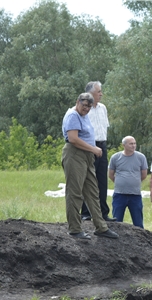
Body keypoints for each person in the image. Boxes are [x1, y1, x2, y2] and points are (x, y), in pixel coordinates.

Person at [61, 93, 119, 240]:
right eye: (84, 105)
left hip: (87, 156)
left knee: (93, 191)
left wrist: (91, 151)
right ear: (77, 102)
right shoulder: (72, 115)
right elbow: (73, 138)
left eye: (88, 106)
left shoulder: (84, 116)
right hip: (75, 154)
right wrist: (93, 149)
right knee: (75, 192)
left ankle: (101, 227)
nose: (86, 108)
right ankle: (74, 229)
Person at [78, 81, 116, 222]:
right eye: (99, 91)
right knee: (88, 179)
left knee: (102, 180)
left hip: (102, 145)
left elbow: (104, 127)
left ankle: (103, 213)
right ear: (90, 93)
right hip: (89, 146)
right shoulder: (83, 110)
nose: (101, 94)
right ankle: (86, 212)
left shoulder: (102, 108)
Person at [108, 136, 148, 228]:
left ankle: (140, 241)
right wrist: (119, 182)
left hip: (135, 195)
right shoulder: (115, 157)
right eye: (131, 144)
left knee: (138, 223)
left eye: (134, 143)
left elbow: (144, 175)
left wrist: (134, 181)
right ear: (124, 145)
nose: (133, 146)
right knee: (116, 222)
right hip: (119, 195)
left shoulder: (141, 157)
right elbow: (110, 174)